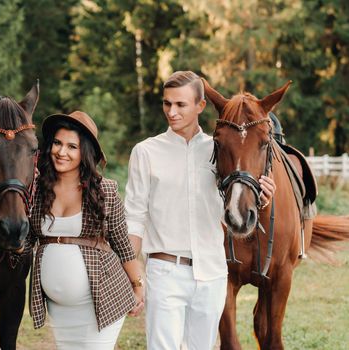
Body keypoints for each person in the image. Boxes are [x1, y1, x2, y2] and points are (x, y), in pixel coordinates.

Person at [124, 71, 276, 349]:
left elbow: (230, 212)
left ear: (200, 106)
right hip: (165, 270)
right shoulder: (146, 152)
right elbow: (134, 217)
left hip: (212, 273)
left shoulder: (217, 149)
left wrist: (261, 198)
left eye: (180, 104)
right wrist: (132, 276)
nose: (171, 111)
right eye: (167, 103)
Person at [29, 111, 145, 349]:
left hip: (101, 301)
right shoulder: (37, 189)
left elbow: (123, 246)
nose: (62, 152)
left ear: (85, 152)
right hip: (59, 309)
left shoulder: (105, 191)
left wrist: (139, 286)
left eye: (72, 146)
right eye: (57, 143)